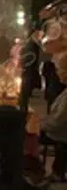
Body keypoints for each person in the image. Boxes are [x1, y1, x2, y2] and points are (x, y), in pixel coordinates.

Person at [43, 51, 67, 180]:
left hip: (61, 133)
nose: (57, 73)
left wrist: (43, 125)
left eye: (59, 69)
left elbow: (59, 120)